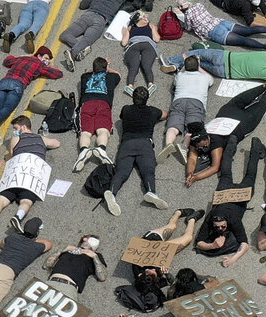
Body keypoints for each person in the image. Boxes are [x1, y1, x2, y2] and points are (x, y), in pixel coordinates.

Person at [0, 117, 60, 239]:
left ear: (24, 127)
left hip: (16, 175)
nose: (14, 131)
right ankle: (18, 217)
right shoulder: (41, 139)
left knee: (1, 200)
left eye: (16, 128)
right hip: (31, 177)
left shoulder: (16, 138)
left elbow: (12, 155)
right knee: (26, 201)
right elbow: (56, 143)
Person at [184, 84, 266, 188]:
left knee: (262, 105)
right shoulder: (196, 138)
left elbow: (215, 167)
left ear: (207, 137)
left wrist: (197, 177)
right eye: (200, 147)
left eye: (204, 146)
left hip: (244, 122)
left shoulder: (215, 143)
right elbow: (192, 158)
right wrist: (190, 173)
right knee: (243, 98)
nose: (202, 148)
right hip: (227, 111)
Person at [193, 136, 259, 268]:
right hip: (230, 194)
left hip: (236, 194)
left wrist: (232, 260)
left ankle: (254, 147)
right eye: (218, 227)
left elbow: (244, 244)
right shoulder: (211, 217)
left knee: (245, 174)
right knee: (227, 171)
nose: (220, 229)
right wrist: (212, 245)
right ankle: (236, 143)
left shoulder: (233, 219)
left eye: (222, 226)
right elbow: (199, 242)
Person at [105, 86, 167, 214]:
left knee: (122, 172)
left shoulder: (126, 109)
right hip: (144, 144)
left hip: (127, 144)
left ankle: (111, 192)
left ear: (133, 98)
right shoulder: (153, 111)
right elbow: (165, 115)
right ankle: (151, 192)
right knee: (148, 171)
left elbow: (121, 118)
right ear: (147, 99)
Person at [0, 47, 63, 139]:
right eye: (46, 58)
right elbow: (58, 74)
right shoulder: (40, 64)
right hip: (18, 84)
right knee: (8, 107)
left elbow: (7, 61)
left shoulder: (22, 59)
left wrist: (22, 56)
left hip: (3, 82)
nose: (47, 61)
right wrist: (51, 65)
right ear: (39, 56)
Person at [157, 56, 212, 167]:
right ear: (197, 66)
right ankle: (184, 146)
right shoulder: (205, 77)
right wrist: (199, 66)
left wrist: (183, 68)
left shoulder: (180, 76)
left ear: (185, 67)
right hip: (196, 102)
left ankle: (168, 144)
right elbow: (212, 80)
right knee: (192, 128)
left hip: (179, 101)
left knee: (173, 127)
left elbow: (177, 79)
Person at [73, 57, 121, 173]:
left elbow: (86, 72)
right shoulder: (112, 77)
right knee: (103, 131)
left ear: (93, 68)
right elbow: (118, 74)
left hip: (87, 104)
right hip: (103, 104)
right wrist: (108, 68)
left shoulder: (85, 77)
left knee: (85, 132)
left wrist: (96, 68)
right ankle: (101, 148)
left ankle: (84, 150)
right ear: (106, 69)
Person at [175, 0, 266, 50]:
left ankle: (265, 46)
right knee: (247, 31)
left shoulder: (188, 15)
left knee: (243, 41)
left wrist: (180, 15)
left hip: (215, 32)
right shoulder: (199, 5)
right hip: (221, 22)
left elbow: (188, 28)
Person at [59, 0, 125, 71]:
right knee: (86, 39)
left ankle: (78, 50)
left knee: (65, 35)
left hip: (88, 15)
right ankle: (75, 52)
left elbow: (83, 5)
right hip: (101, 20)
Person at [163, 49, 266, 82]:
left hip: (225, 56)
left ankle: (172, 60)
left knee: (197, 54)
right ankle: (177, 68)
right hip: (224, 72)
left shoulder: (264, 55)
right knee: (198, 65)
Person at [41, 234, 106, 298]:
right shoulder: (68, 250)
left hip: (69, 287)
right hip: (51, 282)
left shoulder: (95, 256)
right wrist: (62, 250)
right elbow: (46, 265)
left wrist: (94, 256)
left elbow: (102, 277)